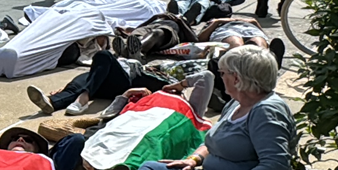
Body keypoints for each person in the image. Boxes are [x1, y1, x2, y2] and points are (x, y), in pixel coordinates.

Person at [120, 45, 295, 170]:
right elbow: (212, 143)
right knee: (151, 169)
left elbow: (275, 166)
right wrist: (193, 160)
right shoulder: (236, 102)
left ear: (236, 78)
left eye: (222, 73)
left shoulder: (266, 111)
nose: (221, 77)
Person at [27, 49, 210, 117]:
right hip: (104, 82)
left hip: (124, 83)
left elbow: (170, 92)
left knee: (103, 55)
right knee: (88, 78)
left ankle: (83, 98)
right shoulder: (121, 62)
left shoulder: (155, 74)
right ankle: (52, 103)